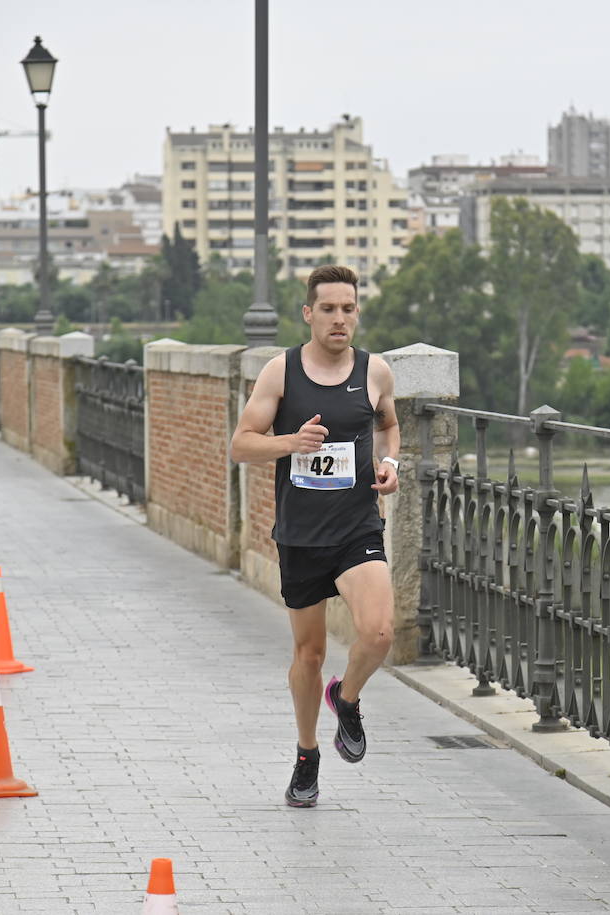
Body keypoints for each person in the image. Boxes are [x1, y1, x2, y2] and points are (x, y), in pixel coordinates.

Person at [228, 264, 400, 808]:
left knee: (377, 634)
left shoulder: (377, 372)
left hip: (357, 527)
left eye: (348, 309)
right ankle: (307, 755)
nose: (339, 319)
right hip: (302, 534)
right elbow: (241, 444)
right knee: (309, 653)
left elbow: (389, 424)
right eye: (328, 308)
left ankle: (346, 701)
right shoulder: (281, 373)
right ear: (308, 313)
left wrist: (391, 461)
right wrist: (290, 443)